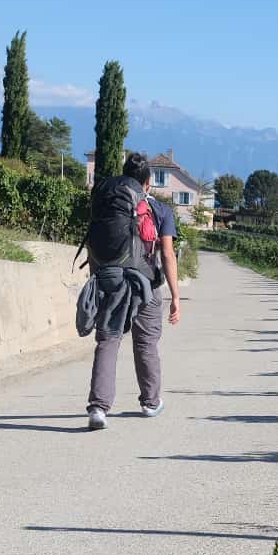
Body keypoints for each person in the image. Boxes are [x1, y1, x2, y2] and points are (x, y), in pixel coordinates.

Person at [83, 151, 181, 429]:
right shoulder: (160, 211)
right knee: (146, 342)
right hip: (145, 284)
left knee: (108, 339)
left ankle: (98, 408)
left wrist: (98, 277)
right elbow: (168, 255)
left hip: (109, 277)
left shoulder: (108, 199)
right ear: (147, 184)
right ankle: (150, 402)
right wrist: (175, 296)